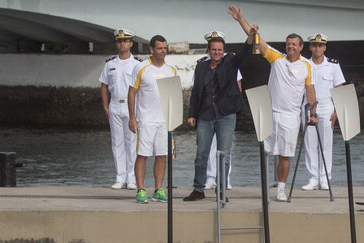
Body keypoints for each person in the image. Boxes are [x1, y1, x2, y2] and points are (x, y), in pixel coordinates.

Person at [230, 4, 318, 202]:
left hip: (291, 116)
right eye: (288, 44)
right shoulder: (276, 58)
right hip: (272, 113)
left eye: (294, 44)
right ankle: (265, 185)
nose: (290, 47)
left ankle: (280, 189)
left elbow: (310, 91)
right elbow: (256, 38)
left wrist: (312, 113)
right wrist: (241, 21)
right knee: (266, 152)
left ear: (301, 47)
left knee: (285, 154)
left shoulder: (306, 66)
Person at [184, 28, 252, 202]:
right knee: (201, 154)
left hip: (226, 115)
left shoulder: (230, 62)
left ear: (224, 50)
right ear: (209, 50)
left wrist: (250, 35)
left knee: (224, 154)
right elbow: (196, 92)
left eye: (220, 50)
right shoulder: (201, 67)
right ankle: (198, 189)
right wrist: (192, 114)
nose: (217, 52)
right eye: (214, 49)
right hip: (205, 115)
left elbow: (245, 52)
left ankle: (221, 191)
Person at [128, 35, 179, 204]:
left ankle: (158, 189)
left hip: (164, 121)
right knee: (142, 155)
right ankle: (141, 190)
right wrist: (132, 117)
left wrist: (174, 119)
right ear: (151, 49)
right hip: (146, 120)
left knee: (161, 156)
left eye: (165, 48)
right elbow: (132, 92)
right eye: (159, 48)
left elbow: (174, 96)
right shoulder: (141, 67)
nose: (163, 51)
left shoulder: (171, 70)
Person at [301, 34, 345, 191]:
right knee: (309, 143)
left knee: (326, 143)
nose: (317, 48)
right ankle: (313, 178)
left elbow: (339, 88)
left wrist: (338, 110)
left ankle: (325, 177)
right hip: (308, 106)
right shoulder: (304, 63)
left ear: (324, 47)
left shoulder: (332, 65)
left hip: (326, 106)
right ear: (310, 47)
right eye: (314, 45)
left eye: (320, 45)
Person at [100, 29, 142, 190]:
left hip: (131, 107)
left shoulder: (137, 64)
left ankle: (132, 178)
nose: (122, 43)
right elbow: (104, 86)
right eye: (119, 41)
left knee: (132, 143)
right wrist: (105, 107)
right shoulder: (110, 64)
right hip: (115, 105)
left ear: (131, 43)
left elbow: (141, 87)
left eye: (125, 40)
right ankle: (120, 177)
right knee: (117, 142)